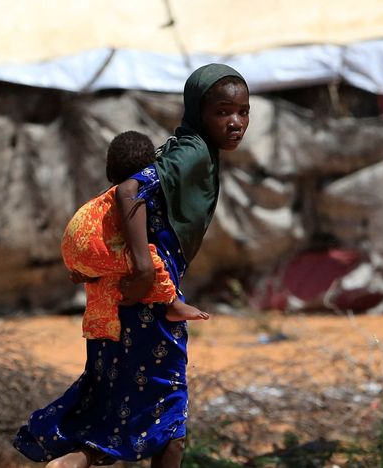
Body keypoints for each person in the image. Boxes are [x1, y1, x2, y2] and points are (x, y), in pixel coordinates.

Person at [14, 64, 250, 468]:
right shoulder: (191, 153)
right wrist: (144, 269)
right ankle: (73, 461)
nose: (235, 122)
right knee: (169, 421)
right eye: (223, 112)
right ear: (198, 110)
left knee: (120, 411)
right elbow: (129, 190)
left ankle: (70, 462)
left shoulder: (189, 148)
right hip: (148, 299)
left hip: (130, 299)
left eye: (243, 112)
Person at [62, 131, 209, 342]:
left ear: (108, 171)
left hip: (74, 252)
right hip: (91, 250)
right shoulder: (131, 195)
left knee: (108, 278)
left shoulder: (103, 198)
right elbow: (142, 263)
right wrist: (144, 271)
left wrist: (85, 267)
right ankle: (173, 303)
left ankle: (100, 326)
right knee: (146, 257)